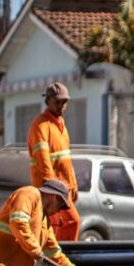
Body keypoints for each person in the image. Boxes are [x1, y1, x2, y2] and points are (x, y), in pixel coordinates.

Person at [27, 83, 80, 241]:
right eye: (57, 102)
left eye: (64, 102)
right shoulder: (41, 125)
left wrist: (73, 184)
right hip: (53, 190)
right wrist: (52, 191)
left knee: (56, 229)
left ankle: (57, 262)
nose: (61, 106)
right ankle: (60, 263)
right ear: (47, 101)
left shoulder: (60, 126)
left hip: (63, 189)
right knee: (71, 222)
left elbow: (66, 161)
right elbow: (43, 162)